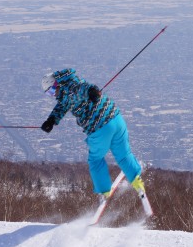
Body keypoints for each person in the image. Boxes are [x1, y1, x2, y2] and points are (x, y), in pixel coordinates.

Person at [41, 68, 145, 201]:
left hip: (100, 127)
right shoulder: (68, 88)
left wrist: (91, 91)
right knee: (124, 155)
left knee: (95, 160)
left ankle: (104, 192)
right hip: (117, 120)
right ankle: (136, 179)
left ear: (56, 84)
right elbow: (62, 105)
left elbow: (81, 89)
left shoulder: (71, 89)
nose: (53, 95)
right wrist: (51, 120)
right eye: (49, 94)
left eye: (51, 91)